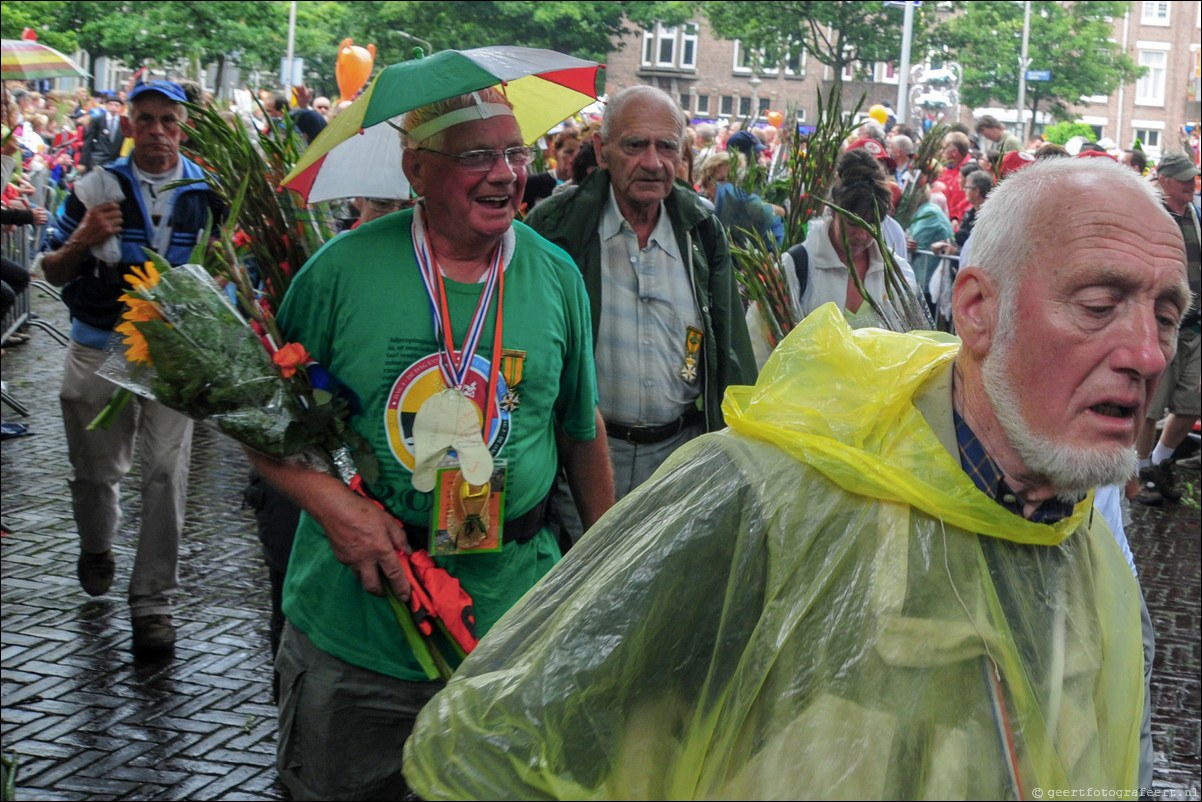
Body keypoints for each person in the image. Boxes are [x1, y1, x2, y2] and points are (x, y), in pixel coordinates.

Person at [403, 156, 1188, 799]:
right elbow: (499, 750)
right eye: (1098, 304)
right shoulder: (760, 497)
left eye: (1166, 313)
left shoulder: (1090, 550)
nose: (1147, 354)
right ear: (977, 311)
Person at [248, 87, 613, 800]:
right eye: (477, 155)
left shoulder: (556, 276)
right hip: (356, 635)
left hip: (509, 629)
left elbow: (580, 427)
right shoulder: (339, 274)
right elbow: (261, 427)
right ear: (415, 170)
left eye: (515, 152)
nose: (506, 173)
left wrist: (605, 567)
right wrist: (334, 509)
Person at [40, 81, 219, 659]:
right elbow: (51, 269)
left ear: (182, 127)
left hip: (175, 355)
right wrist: (83, 239)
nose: (158, 131)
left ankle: (153, 602)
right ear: (129, 126)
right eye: (146, 120)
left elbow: (236, 275)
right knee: (95, 473)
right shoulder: (96, 188)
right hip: (101, 346)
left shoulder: (207, 192)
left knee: (167, 473)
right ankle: (97, 546)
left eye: (169, 120)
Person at [525, 85, 756, 530]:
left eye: (666, 147)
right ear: (603, 150)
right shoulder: (556, 229)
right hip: (584, 461)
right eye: (636, 145)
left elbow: (731, 355)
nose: (653, 162)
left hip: (678, 459)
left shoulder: (702, 231)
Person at [746, 148, 921, 368]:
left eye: (871, 226)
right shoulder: (795, 267)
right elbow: (759, 348)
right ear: (833, 211)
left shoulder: (897, 271)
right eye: (852, 224)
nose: (862, 235)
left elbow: (912, 344)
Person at [1133, 150, 1200, 506]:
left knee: (1193, 401)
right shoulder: (1150, 211)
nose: (1192, 184)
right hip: (1159, 322)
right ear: (1167, 180)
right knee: (1151, 405)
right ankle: (1143, 470)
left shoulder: (1195, 212)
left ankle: (1159, 460)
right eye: (1186, 179)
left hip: (1195, 324)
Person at [79, 94, 125, 172]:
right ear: (106, 105)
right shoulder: (98, 120)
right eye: (111, 105)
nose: (113, 108)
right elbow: (88, 141)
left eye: (117, 105)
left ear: (121, 107)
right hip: (99, 158)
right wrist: (83, 162)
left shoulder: (124, 122)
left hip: (116, 159)